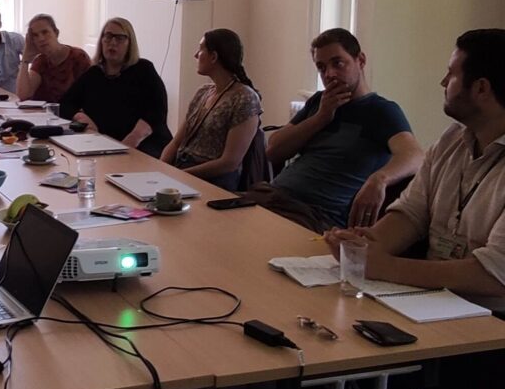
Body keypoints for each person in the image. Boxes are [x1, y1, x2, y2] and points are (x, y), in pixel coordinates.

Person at [256, 30, 505, 389]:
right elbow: (409, 214)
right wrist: (364, 246)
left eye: (452, 72)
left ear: (481, 87)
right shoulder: (454, 143)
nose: (442, 80)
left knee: (384, 370)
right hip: (440, 304)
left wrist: (381, 267)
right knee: (338, 334)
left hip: (493, 327)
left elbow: (495, 279)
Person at [244, 28, 423, 232]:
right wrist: (320, 118)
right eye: (321, 68)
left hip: (312, 216)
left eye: (338, 63)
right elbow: (274, 150)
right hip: (270, 196)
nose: (329, 74)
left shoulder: (380, 110)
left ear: (360, 60)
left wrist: (379, 179)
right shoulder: (319, 102)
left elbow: (415, 155)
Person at [161, 29, 262, 190]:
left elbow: (230, 162)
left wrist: (181, 175)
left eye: (201, 49)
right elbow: (176, 143)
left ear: (214, 57)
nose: (196, 55)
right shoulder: (203, 92)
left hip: (213, 181)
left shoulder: (245, 98)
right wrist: (161, 170)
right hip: (182, 172)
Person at [59, 18, 171, 157]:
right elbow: (65, 104)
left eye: (120, 38)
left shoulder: (144, 69)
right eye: (108, 36)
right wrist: (82, 118)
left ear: (130, 43)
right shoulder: (93, 74)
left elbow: (157, 112)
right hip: (105, 144)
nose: (112, 42)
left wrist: (133, 138)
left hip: (145, 144)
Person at [16, 13, 91, 103]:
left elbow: (89, 95)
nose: (41, 38)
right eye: (35, 35)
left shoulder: (78, 57)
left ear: (56, 33)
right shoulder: (40, 61)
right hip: (45, 115)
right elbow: (23, 95)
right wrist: (25, 59)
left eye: (45, 32)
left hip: (70, 115)